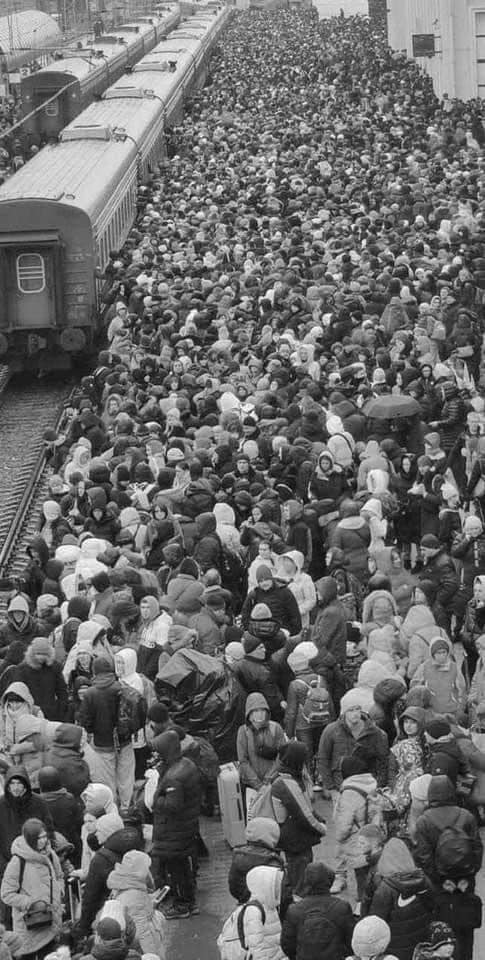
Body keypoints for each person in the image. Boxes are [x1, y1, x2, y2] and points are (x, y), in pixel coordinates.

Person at [150, 730, 201, 919]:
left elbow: (172, 805)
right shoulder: (187, 764)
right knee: (184, 868)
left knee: (177, 870)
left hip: (174, 831)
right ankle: (188, 901)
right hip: (186, 826)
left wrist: (156, 798)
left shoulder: (174, 777)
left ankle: (183, 905)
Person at [0, 818, 63, 959]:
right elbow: (6, 894)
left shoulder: (51, 855)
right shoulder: (17, 861)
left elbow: (59, 876)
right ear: (30, 839)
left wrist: (59, 892)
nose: (43, 841)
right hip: (30, 925)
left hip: (52, 922)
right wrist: (30, 902)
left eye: (45, 836)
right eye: (39, 838)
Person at [270, 741, 326, 897]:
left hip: (295, 839)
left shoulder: (288, 777)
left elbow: (306, 806)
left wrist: (319, 819)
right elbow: (304, 815)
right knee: (300, 882)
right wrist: (321, 828)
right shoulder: (286, 783)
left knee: (299, 875)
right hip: (295, 841)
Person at [413, 775, 482, 886]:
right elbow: (477, 848)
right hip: (465, 879)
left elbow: (424, 856)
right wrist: (470, 873)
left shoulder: (424, 821)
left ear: (430, 794)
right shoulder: (467, 816)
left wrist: (437, 879)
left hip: (440, 882)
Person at [280, 862, 354, 960]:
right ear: (329, 882)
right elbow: (351, 941)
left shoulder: (294, 910)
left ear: (306, 882)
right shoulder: (342, 908)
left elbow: (287, 945)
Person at [107, 849, 165, 957]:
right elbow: (143, 933)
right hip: (143, 947)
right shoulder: (134, 895)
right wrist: (153, 956)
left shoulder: (123, 884)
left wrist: (149, 900)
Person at [237, 693, 286, 801]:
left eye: (262, 710)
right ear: (249, 714)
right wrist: (258, 785)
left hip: (273, 782)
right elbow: (243, 760)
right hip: (250, 785)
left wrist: (268, 779)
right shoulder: (243, 731)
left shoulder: (276, 728)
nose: (259, 714)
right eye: (255, 711)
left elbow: (282, 756)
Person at [228, 817, 285, 906]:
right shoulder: (272, 861)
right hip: (269, 907)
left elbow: (233, 885)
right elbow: (282, 893)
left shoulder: (238, 854)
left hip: (244, 903)